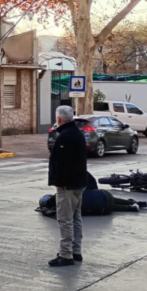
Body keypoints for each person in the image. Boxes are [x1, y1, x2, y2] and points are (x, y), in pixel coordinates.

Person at [47, 105, 87, 267]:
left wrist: (58, 182)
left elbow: (61, 163)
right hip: (79, 182)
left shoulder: (65, 136)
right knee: (76, 218)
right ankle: (75, 251)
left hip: (67, 184)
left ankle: (66, 254)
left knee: (65, 219)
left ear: (58, 119)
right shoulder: (77, 133)